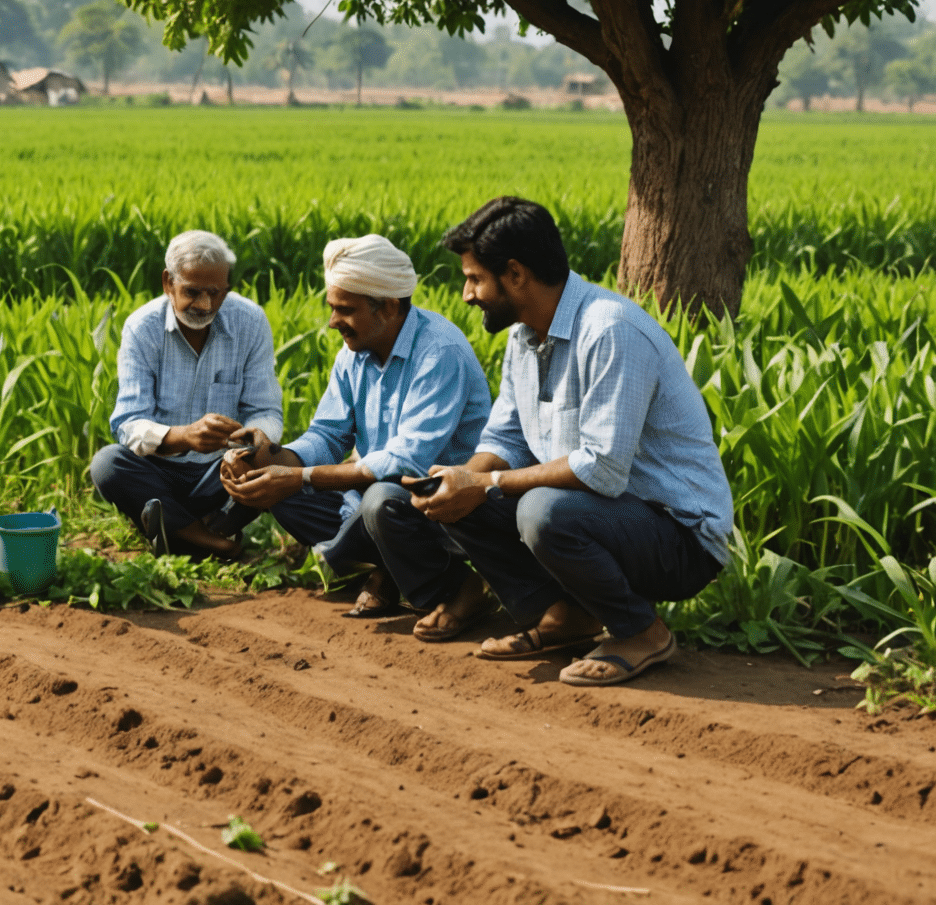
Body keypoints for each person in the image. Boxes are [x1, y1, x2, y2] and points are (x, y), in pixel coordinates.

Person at [402, 197, 731, 686]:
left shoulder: (610, 330)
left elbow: (601, 467)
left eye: (474, 278)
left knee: (540, 509)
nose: (467, 294)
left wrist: (486, 480)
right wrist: (463, 480)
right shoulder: (524, 337)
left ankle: (641, 631)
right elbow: (506, 436)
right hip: (605, 514)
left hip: (676, 536)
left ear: (515, 274)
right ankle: (565, 616)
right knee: (458, 495)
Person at [220, 235, 492, 617]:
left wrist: (297, 476)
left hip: (433, 506)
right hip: (367, 498)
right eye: (332, 308)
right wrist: (270, 457)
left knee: (381, 500)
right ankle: (386, 566)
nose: (333, 323)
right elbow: (328, 435)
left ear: (389, 307)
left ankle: (452, 586)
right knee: (280, 492)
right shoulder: (354, 354)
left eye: (345, 310)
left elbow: (405, 463)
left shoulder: (438, 352)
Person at [89, 230, 283, 559]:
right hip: (160, 470)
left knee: (281, 459)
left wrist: (251, 442)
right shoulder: (142, 328)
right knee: (108, 463)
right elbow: (128, 423)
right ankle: (211, 538)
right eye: (192, 292)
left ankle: (176, 531)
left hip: (221, 472)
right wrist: (185, 436)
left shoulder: (250, 321)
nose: (205, 305)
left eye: (216, 293)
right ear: (168, 283)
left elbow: (266, 410)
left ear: (227, 289)